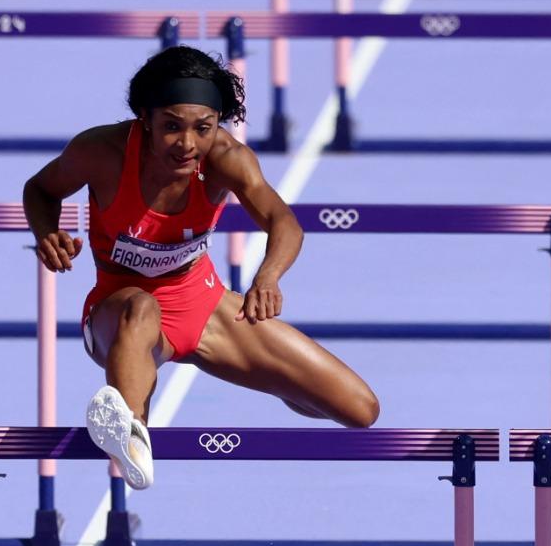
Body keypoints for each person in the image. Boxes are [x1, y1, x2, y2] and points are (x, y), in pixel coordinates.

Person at [22, 45, 378, 489]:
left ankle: (276, 382)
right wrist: (46, 232)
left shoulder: (227, 159)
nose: (187, 144)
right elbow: (40, 189)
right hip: (120, 313)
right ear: (144, 118)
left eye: (203, 128)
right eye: (171, 126)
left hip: (203, 305)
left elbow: (284, 222)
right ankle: (129, 433)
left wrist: (267, 275)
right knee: (141, 308)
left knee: (361, 409)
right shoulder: (102, 151)